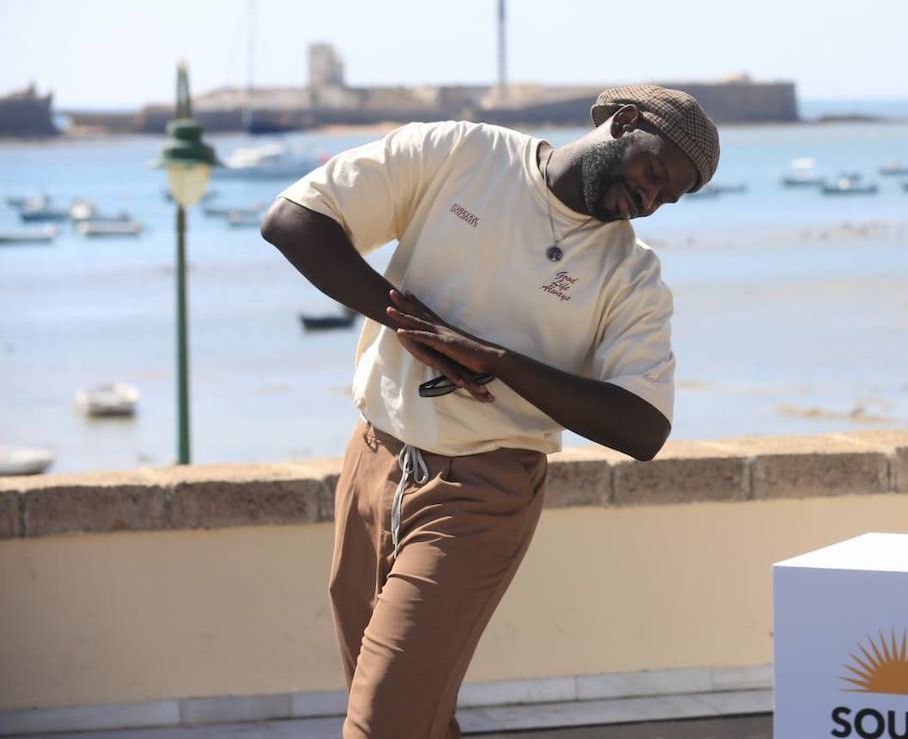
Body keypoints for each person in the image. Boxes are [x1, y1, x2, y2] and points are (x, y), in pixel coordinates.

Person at [260, 84, 719, 738]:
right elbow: (294, 220)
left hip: (479, 496)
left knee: (382, 724)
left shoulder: (631, 277)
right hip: (370, 461)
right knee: (412, 715)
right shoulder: (460, 153)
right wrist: (410, 325)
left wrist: (493, 359)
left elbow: (644, 427)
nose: (648, 199)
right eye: (652, 172)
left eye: (666, 197)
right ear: (623, 123)